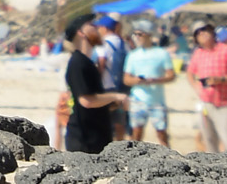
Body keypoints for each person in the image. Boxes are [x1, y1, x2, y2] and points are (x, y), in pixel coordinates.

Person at [62, 16, 123, 154]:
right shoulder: (78, 63)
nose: (97, 28)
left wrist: (110, 103)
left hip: (95, 137)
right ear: (81, 33)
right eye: (92, 25)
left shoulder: (87, 62)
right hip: (84, 141)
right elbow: (86, 101)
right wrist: (115, 96)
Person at [186, 22, 227, 153]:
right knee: (209, 141)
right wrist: (196, 87)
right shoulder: (199, 53)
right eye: (199, 33)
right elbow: (190, 72)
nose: (203, 35)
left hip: (224, 103)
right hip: (206, 102)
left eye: (205, 31)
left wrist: (220, 80)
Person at [125, 26, 175, 148]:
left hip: (156, 100)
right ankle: (132, 158)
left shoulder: (161, 53)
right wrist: (137, 80)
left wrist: (155, 80)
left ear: (148, 35)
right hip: (138, 99)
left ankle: (170, 159)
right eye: (135, 34)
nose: (137, 37)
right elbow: (126, 79)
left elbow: (171, 75)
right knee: (136, 133)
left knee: (161, 132)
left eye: (140, 34)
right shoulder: (133, 55)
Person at [92, 14, 130, 142]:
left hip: (106, 87)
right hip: (122, 87)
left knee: (103, 120)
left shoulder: (102, 44)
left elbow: (101, 63)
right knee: (119, 122)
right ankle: (120, 147)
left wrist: (95, 82)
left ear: (104, 28)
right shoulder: (124, 43)